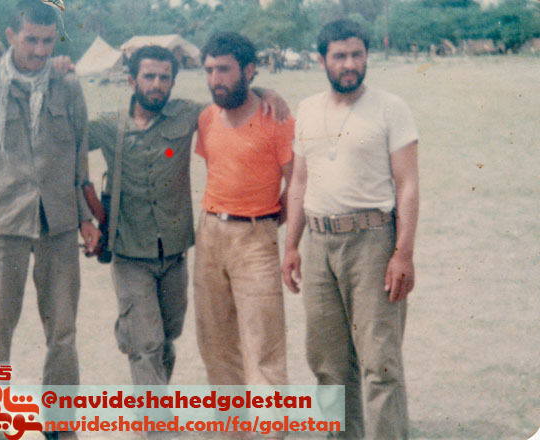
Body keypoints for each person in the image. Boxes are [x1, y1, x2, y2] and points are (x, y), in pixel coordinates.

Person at [85, 45, 289, 387]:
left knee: (167, 336)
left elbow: (230, 96)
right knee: (146, 342)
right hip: (129, 252)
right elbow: (66, 150)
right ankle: (153, 414)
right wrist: (86, 216)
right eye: (149, 76)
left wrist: (265, 91)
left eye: (165, 78)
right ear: (132, 80)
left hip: (174, 254)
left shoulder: (189, 114)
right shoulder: (109, 125)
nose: (157, 84)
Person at [0, 0, 100, 438]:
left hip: (59, 223)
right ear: (11, 36)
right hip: (4, 224)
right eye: (31, 40)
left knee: (63, 332)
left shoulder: (67, 85)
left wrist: (85, 218)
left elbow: (79, 159)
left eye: (48, 41)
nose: (39, 50)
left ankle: (60, 426)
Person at [281, 19, 419, 439]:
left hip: (372, 241)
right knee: (328, 363)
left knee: (380, 364)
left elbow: (407, 185)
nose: (349, 64)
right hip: (319, 244)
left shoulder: (390, 108)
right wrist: (291, 246)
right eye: (339, 56)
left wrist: (403, 253)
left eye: (357, 54)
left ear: (366, 56)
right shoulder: (308, 110)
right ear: (321, 59)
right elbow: (299, 182)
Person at [194, 32, 294, 388]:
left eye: (224, 69)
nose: (215, 79)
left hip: (256, 238)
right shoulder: (207, 117)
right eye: (209, 70)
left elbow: (296, 185)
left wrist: (267, 220)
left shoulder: (277, 119)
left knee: (264, 347)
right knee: (215, 345)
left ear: (249, 70)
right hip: (209, 235)